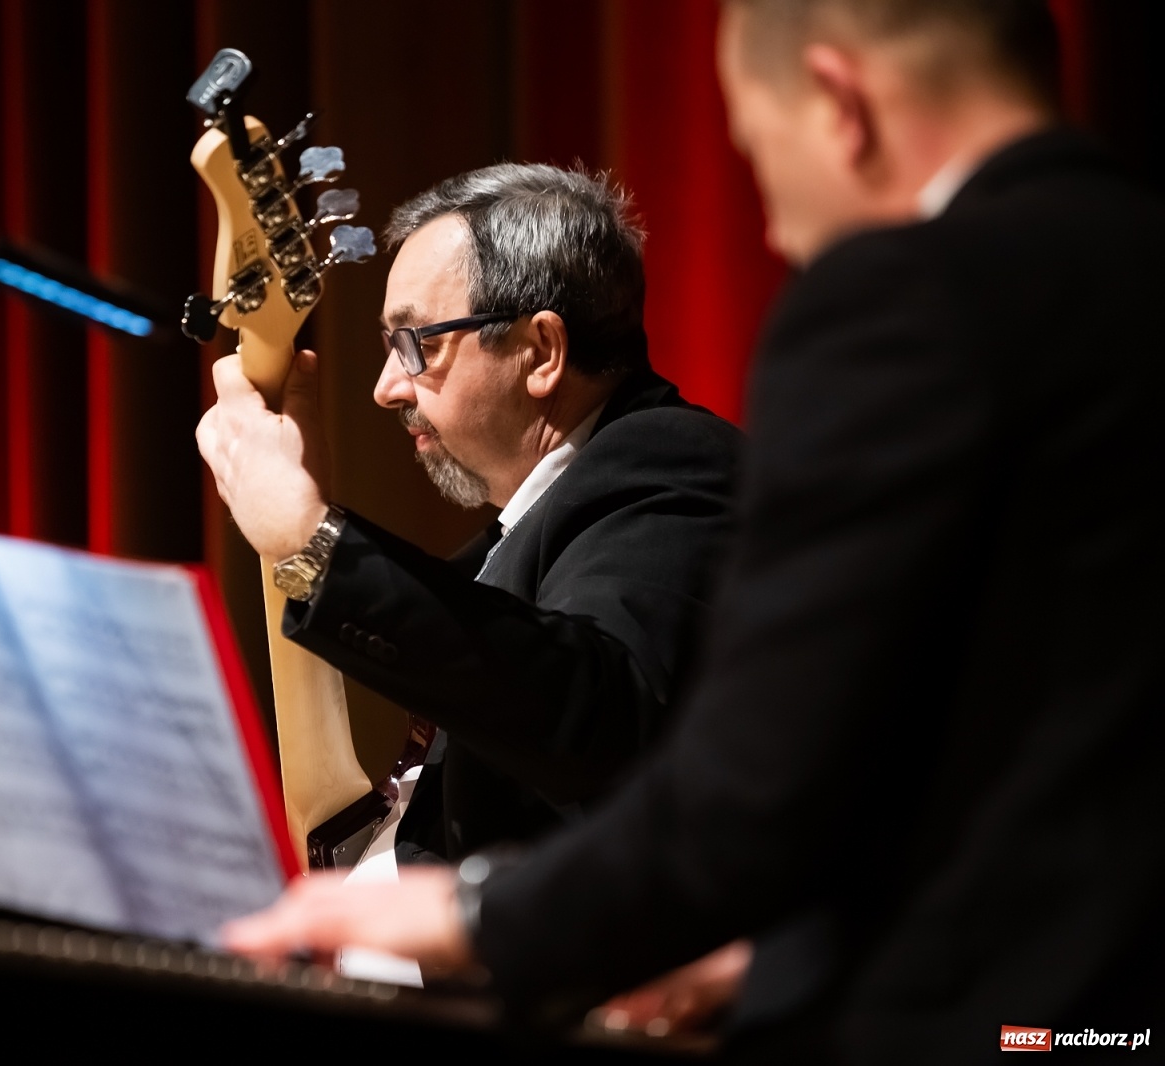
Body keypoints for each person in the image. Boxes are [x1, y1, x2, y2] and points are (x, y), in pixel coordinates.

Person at [220, 0, 1165, 1059]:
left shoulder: (907, 300)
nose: (775, 230)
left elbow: (736, 774)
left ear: (839, 102)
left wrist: (469, 915)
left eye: (758, 148)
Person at [196, 164, 739, 872]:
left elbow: (597, 716)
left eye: (414, 344)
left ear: (541, 352)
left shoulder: (671, 462)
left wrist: (312, 539)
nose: (386, 389)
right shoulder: (527, 532)